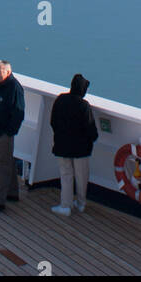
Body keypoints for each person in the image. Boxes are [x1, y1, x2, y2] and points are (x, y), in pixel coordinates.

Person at [50, 72, 99, 216]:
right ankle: (81, 203)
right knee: (81, 176)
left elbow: (53, 122)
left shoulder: (60, 100)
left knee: (66, 175)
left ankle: (65, 205)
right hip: (81, 149)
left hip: (62, 145)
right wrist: (93, 138)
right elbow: (90, 128)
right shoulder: (84, 106)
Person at [0, 59, 25, 213]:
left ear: (7, 72)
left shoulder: (14, 88)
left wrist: (8, 132)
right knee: (7, 161)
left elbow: (18, 112)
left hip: (3, 133)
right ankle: (12, 193)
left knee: (0, 164)